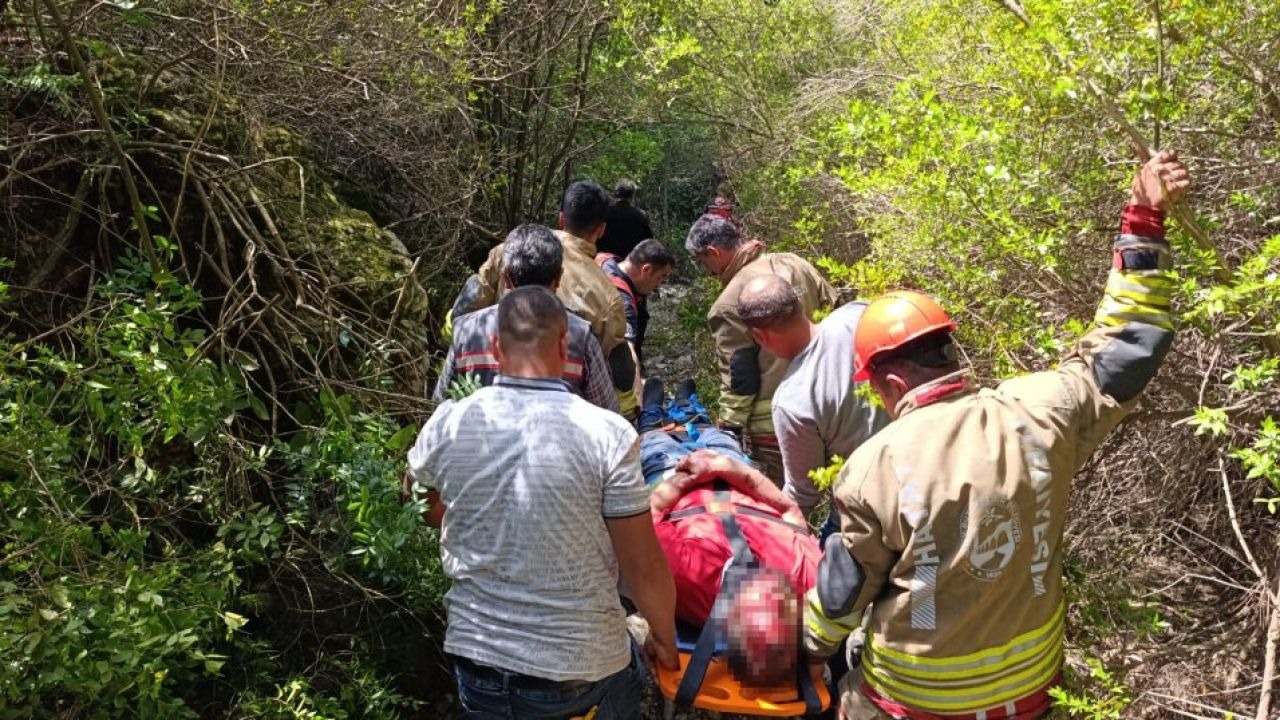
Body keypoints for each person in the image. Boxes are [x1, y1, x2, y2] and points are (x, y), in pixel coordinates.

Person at [803, 151, 1188, 719]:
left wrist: (811, 648)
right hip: (1031, 691)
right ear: (949, 353)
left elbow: (844, 590)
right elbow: (1130, 342)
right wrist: (1143, 220)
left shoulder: (873, 465)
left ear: (887, 382)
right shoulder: (1042, 409)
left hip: (915, 701)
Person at [407, 286, 678, 719]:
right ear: (565, 346)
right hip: (577, 674)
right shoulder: (606, 434)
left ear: (496, 347)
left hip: (478, 666)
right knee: (630, 681)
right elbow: (642, 566)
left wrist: (467, 518)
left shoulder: (449, 423)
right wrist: (664, 638)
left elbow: (420, 502)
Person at [638, 378, 821, 686]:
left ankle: (653, 417)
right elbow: (789, 509)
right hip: (735, 473)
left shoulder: (687, 580)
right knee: (714, 435)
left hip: (673, 475)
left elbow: (650, 513)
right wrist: (728, 469)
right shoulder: (808, 579)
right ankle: (690, 412)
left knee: (653, 441)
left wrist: (687, 478)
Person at [449, 180, 639, 418]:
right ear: (601, 230)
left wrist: (458, 335)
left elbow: (469, 302)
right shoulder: (606, 294)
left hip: (489, 402)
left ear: (561, 219)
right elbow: (619, 377)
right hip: (563, 415)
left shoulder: (510, 250)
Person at [685, 213, 837, 484]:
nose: (706, 271)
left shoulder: (729, 302)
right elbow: (834, 311)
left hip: (777, 425)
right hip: (830, 403)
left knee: (784, 505)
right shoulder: (795, 263)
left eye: (702, 261)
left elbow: (740, 376)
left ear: (713, 252)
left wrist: (729, 430)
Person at [737, 275, 889, 529]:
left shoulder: (793, 400)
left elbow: (804, 492)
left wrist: (777, 534)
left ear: (759, 336)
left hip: (869, 508)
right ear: (799, 304)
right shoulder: (858, 314)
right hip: (926, 467)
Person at [433, 224, 618, 413]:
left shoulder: (466, 331)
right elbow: (607, 411)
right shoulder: (581, 337)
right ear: (559, 278)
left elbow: (440, 404)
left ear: (506, 278)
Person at [596, 238, 676, 368]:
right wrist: (637, 385)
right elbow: (628, 355)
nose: (659, 284)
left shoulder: (602, 259)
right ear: (647, 270)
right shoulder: (624, 303)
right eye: (661, 276)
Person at [598, 179, 655, 259]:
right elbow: (647, 243)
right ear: (632, 196)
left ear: (615, 194)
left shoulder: (604, 213)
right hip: (630, 263)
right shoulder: (640, 216)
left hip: (603, 261)